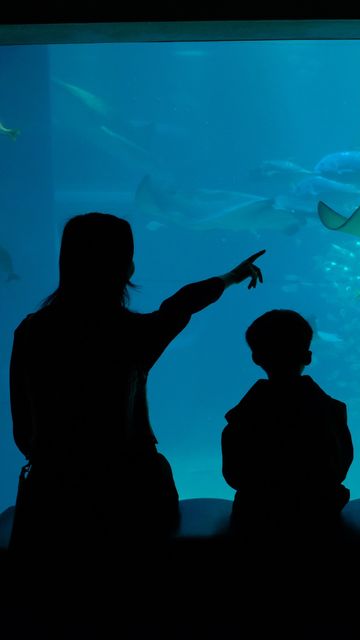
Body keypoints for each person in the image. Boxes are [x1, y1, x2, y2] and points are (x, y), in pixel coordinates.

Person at [8, 212, 265, 635]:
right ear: (127, 267)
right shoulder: (132, 334)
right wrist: (231, 277)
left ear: (65, 260)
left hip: (53, 499)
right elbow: (179, 305)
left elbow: (23, 429)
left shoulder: (32, 332)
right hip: (134, 492)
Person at [221, 308, 354, 531]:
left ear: (256, 358)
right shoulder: (331, 410)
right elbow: (341, 467)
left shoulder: (243, 416)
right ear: (308, 357)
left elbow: (233, 476)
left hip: (257, 514)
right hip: (320, 512)